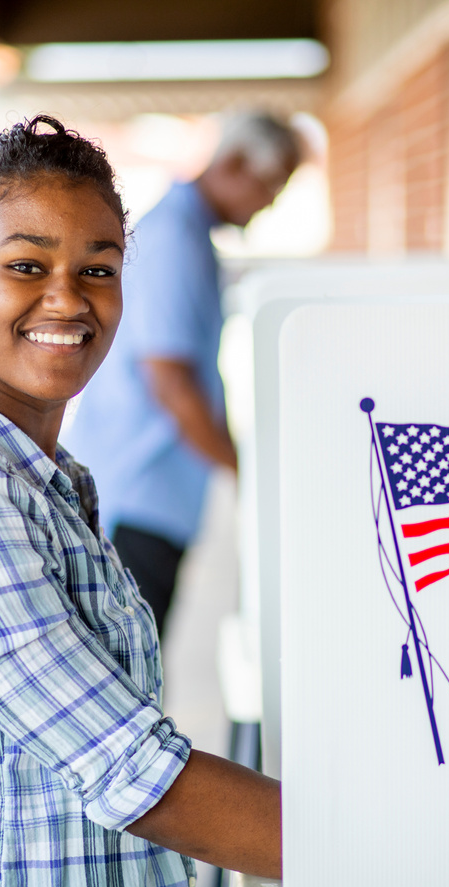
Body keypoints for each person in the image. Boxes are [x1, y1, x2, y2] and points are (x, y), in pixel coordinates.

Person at [0, 116, 280, 887]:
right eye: (27, 266)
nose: (68, 299)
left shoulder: (43, 474)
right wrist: (382, 843)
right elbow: (135, 772)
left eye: (97, 270)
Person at [63, 111, 302, 636]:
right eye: (273, 183)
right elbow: (170, 381)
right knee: (128, 677)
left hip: (152, 496)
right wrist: (247, 472)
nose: (273, 202)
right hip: (135, 498)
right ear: (235, 164)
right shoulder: (175, 236)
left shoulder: (190, 230)